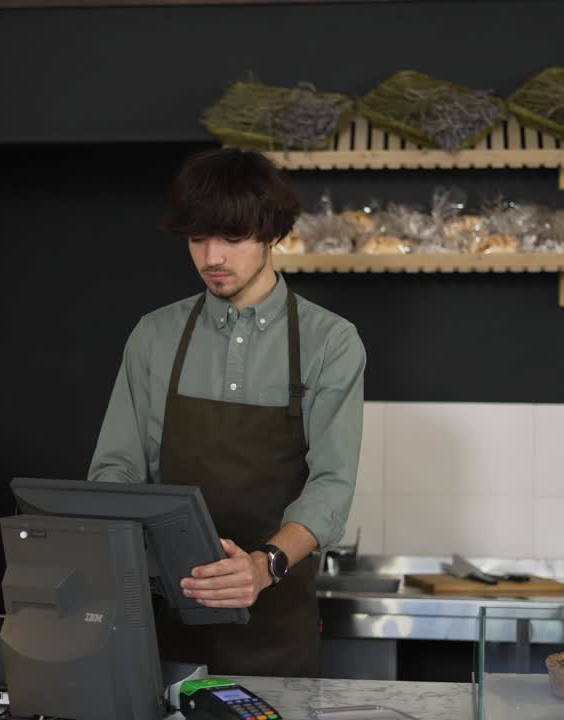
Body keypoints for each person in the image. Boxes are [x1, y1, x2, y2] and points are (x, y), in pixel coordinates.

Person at [87, 147, 366, 678]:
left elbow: (331, 485)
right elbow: (114, 470)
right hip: (162, 622)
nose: (212, 257)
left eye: (232, 238)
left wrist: (264, 564)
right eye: (198, 238)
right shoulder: (154, 336)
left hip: (275, 627)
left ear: (272, 233)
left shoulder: (331, 342)